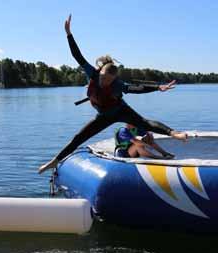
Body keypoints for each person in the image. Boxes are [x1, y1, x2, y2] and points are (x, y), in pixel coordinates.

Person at [38, 15, 188, 174]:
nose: (105, 82)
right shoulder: (92, 73)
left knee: (144, 123)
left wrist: (158, 87)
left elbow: (137, 88)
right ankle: (55, 161)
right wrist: (69, 34)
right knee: (79, 137)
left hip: (120, 110)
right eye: (103, 78)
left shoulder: (118, 85)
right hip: (104, 116)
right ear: (99, 72)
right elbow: (77, 56)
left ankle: (173, 133)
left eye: (109, 80)